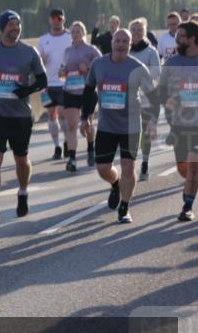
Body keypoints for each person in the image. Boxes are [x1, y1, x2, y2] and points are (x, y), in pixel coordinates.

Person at [0, 10, 48, 224]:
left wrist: (27, 90)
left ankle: (23, 192)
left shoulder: (29, 52)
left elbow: (43, 80)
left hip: (21, 116)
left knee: (21, 159)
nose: (15, 28)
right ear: (3, 27)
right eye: (11, 25)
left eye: (18, 25)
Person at [80, 30, 157, 223]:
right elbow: (89, 90)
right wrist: (85, 117)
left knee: (128, 166)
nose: (120, 44)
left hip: (130, 126)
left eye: (125, 41)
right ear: (112, 42)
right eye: (117, 40)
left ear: (130, 45)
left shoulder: (138, 67)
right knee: (103, 168)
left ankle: (124, 207)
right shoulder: (98, 64)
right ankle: (115, 183)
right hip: (106, 125)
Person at [151, 20, 198, 221]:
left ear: (192, 38)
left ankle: (187, 206)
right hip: (179, 124)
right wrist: (168, 101)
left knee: (193, 167)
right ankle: (191, 185)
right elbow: (160, 93)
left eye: (180, 36)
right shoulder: (171, 63)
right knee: (183, 169)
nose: (176, 39)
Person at [58, 21, 101, 172]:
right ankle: (72, 158)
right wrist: (62, 73)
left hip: (87, 91)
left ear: (84, 33)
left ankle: (90, 149)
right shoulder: (67, 51)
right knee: (72, 125)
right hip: (70, 90)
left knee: (87, 122)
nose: (75, 34)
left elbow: (101, 68)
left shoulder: (91, 50)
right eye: (73, 31)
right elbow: (62, 73)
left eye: (78, 31)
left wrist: (88, 68)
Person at [128, 18, 161, 180]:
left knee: (146, 132)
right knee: (131, 132)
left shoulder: (150, 51)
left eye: (139, 30)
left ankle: (145, 163)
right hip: (128, 98)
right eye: (133, 30)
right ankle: (130, 163)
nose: (136, 32)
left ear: (144, 32)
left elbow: (156, 73)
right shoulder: (125, 50)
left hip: (147, 97)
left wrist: (139, 75)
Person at [38, 9, 72, 160]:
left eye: (59, 18)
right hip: (48, 82)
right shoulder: (43, 39)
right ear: (49, 20)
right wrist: (42, 60)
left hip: (65, 81)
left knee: (63, 113)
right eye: (53, 18)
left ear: (64, 19)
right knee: (52, 115)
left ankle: (66, 142)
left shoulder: (70, 36)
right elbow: (38, 61)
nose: (56, 21)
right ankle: (57, 146)